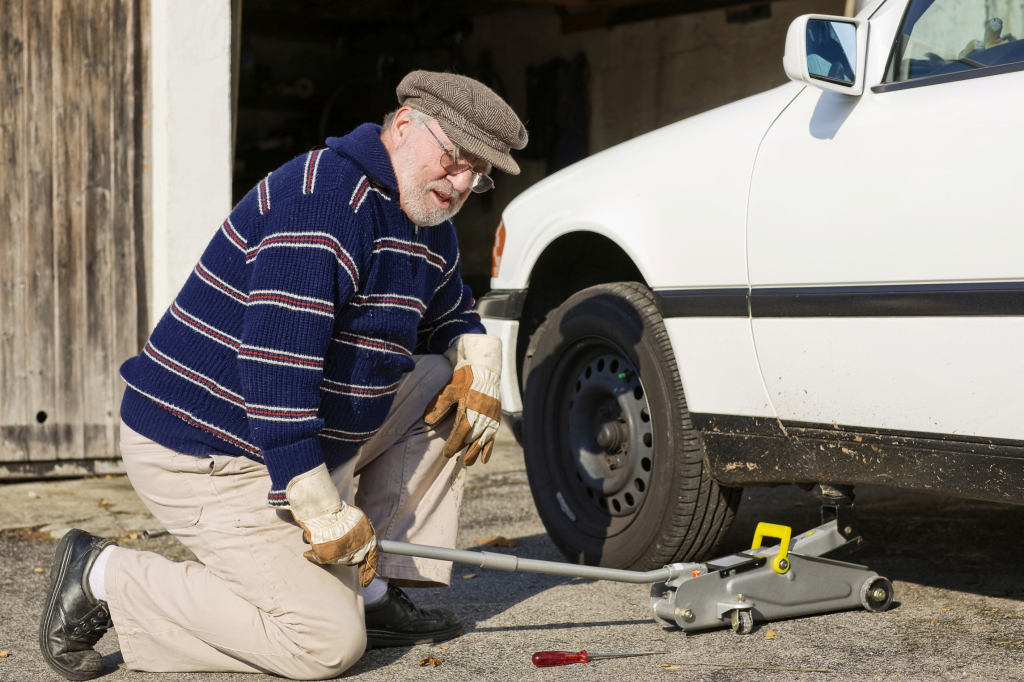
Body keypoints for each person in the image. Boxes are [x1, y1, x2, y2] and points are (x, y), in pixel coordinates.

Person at [39, 70, 528, 681]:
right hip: (212, 449)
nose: (460, 184)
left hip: (300, 429)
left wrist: (478, 357)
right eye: (454, 159)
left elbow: (448, 312)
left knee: (448, 386)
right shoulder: (323, 202)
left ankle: (372, 593)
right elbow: (275, 372)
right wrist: (315, 502)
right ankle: (103, 574)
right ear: (404, 126)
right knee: (322, 643)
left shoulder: (427, 222)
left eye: (476, 174)